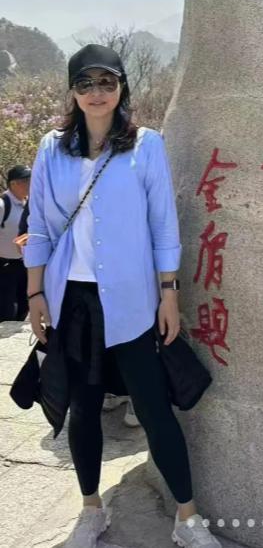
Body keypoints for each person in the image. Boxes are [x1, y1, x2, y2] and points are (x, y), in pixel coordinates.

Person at [24, 44, 220, 548]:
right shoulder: (52, 148)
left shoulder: (145, 145)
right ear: (73, 91)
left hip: (132, 299)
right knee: (84, 408)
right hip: (72, 299)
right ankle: (92, 510)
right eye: (85, 83)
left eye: (106, 82)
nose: (96, 92)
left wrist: (169, 293)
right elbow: (40, 225)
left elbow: (163, 223)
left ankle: (187, 518)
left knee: (154, 408)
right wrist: (35, 292)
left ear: (121, 87)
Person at [0, 164, 31, 321]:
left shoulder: (29, 204)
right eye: (26, 181)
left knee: (23, 307)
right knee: (7, 311)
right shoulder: (2, 205)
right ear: (13, 184)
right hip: (4, 266)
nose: (30, 184)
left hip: (23, 264)